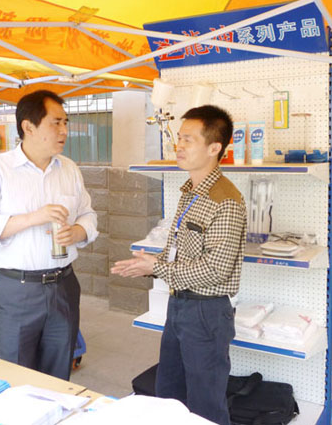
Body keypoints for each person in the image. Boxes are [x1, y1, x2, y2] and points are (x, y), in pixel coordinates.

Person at [112, 105, 247, 425]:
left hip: (206, 312)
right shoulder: (190, 192)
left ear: (214, 148)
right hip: (180, 305)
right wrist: (152, 261)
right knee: (169, 394)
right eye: (179, 138)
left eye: (188, 139)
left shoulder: (226, 200)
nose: (179, 146)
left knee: (205, 406)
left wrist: (156, 268)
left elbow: (215, 269)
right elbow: (180, 252)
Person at [0, 89, 97, 381]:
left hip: (63, 286)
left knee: (57, 374)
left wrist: (78, 231)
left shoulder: (69, 169)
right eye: (56, 122)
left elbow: (88, 214)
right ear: (28, 127)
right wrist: (31, 219)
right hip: (16, 290)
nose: (64, 131)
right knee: (13, 374)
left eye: (65, 122)